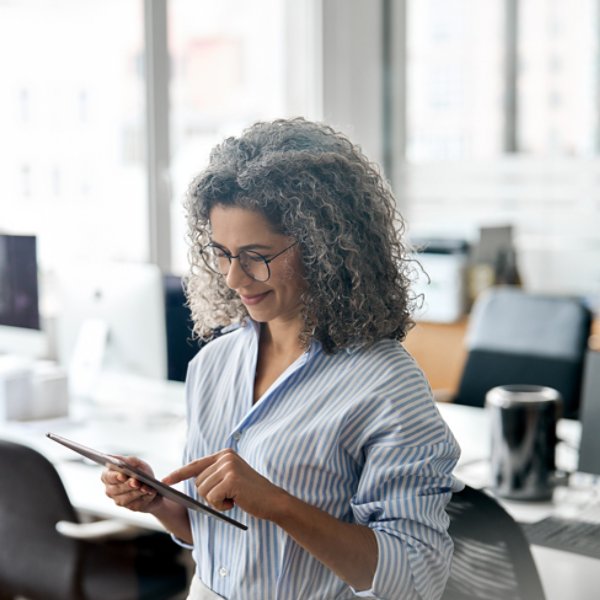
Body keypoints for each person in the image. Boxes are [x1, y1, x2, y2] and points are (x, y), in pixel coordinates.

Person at [101, 117, 461, 600]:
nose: (234, 278)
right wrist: (160, 503)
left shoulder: (385, 384)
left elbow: (417, 577)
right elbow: (217, 539)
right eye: (222, 253)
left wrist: (278, 504)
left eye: (256, 254)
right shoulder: (215, 363)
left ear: (324, 248)